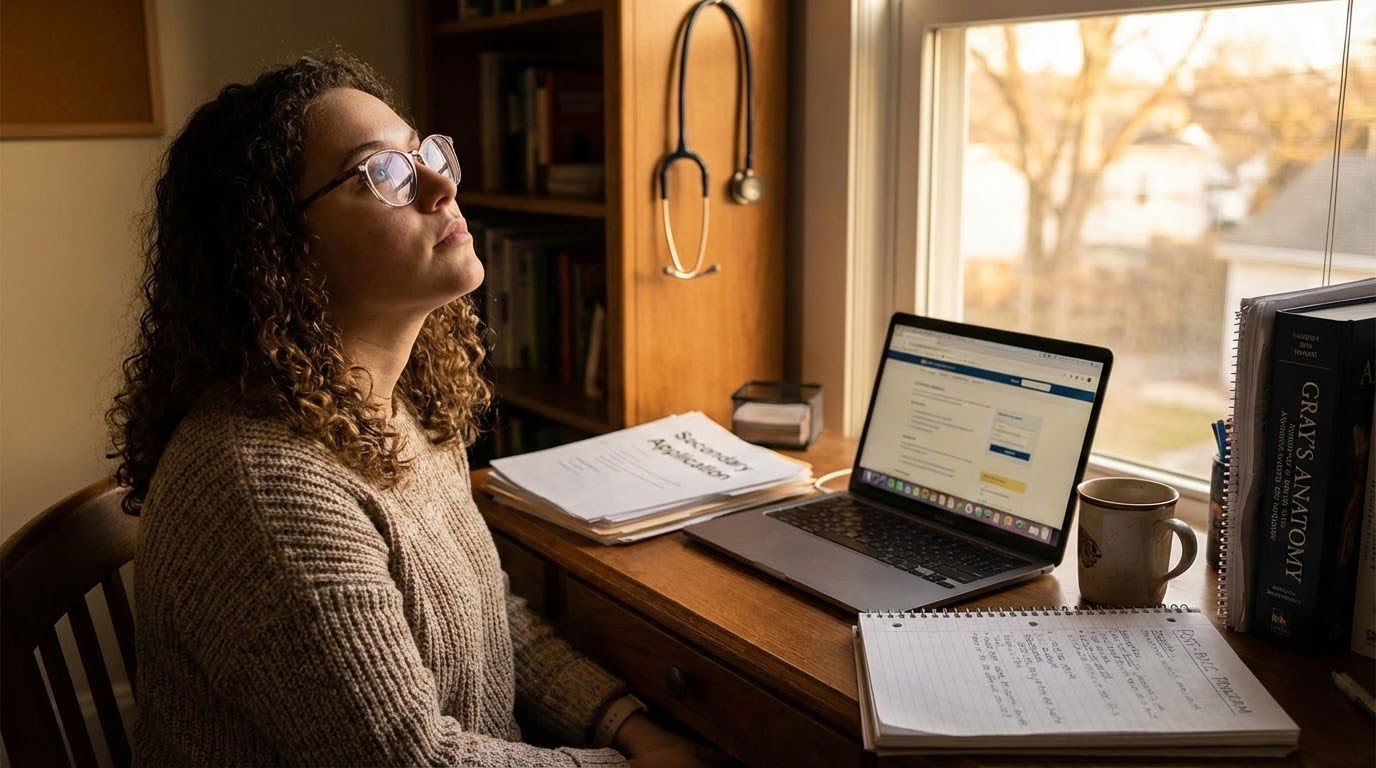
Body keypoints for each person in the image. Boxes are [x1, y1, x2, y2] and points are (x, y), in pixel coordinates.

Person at [108, 53, 714, 767]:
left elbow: (494, 618)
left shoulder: (396, 407)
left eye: (423, 153)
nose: (439, 184)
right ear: (280, 247)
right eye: (384, 172)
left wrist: (628, 727)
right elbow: (416, 762)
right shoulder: (265, 485)